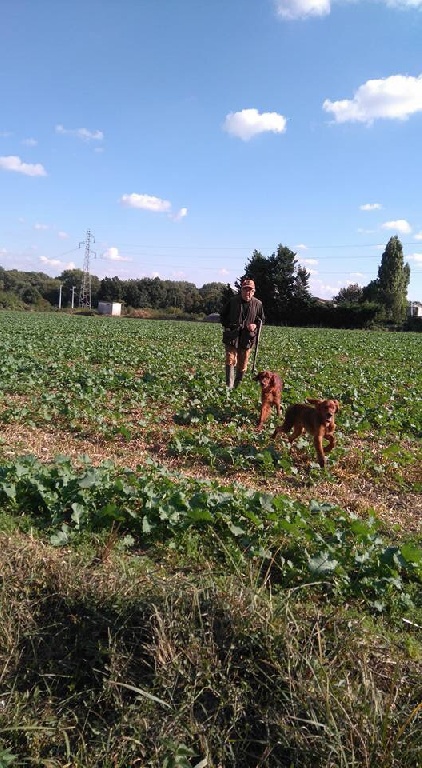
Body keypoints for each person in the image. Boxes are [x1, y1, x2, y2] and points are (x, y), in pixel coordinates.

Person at [220, 277, 265, 388]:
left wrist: (255, 325)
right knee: (230, 359)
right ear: (241, 290)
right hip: (232, 336)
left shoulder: (258, 304)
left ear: (253, 291)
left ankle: (237, 386)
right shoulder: (233, 301)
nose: (247, 292)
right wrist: (228, 326)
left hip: (247, 337)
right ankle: (229, 386)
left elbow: (262, 319)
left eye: (250, 290)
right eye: (245, 289)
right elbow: (223, 315)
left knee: (243, 363)